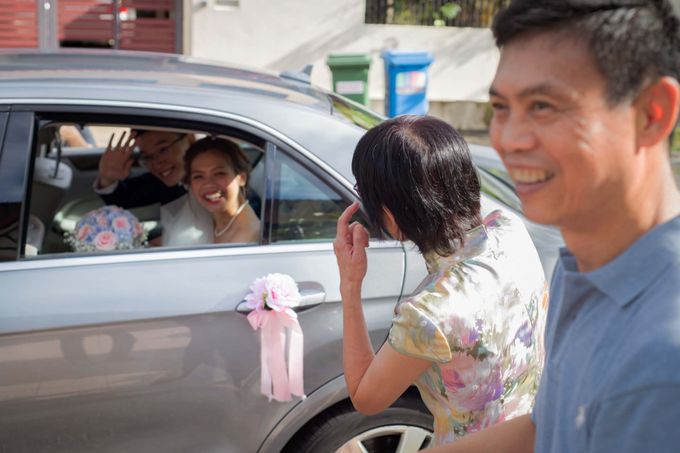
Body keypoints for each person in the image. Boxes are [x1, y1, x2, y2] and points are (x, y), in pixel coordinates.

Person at [426, 1, 680, 452]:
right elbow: (545, 429)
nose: (508, 139)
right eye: (501, 107)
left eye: (543, 106)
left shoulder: (663, 365)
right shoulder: (579, 268)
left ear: (652, 114)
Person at [333, 115, 548, 446]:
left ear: (390, 211)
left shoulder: (429, 313)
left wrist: (350, 284)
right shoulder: (511, 230)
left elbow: (366, 397)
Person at [183, 137, 260, 244]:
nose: (208, 184)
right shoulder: (208, 223)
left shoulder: (247, 238)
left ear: (242, 178)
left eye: (219, 173)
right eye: (198, 176)